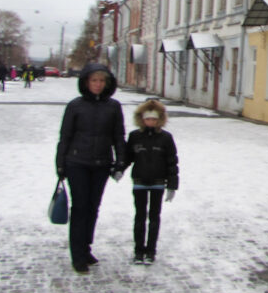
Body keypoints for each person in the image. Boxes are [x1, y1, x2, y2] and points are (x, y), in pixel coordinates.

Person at [55, 63, 126, 273]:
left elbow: (118, 136)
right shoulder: (75, 106)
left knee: (93, 208)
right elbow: (65, 137)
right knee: (79, 208)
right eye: (94, 80)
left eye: (102, 81)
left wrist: (120, 160)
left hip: (101, 164)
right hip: (77, 163)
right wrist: (60, 163)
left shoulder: (113, 107)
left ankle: (86, 248)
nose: (98, 84)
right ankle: (77, 254)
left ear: (107, 84)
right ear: (86, 82)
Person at [119, 99, 179, 265]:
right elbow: (127, 157)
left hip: (158, 182)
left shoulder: (166, 138)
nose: (151, 122)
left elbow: (172, 162)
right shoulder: (135, 137)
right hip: (139, 181)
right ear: (142, 119)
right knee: (139, 217)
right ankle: (139, 250)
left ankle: (151, 251)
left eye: (154, 119)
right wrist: (119, 169)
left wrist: (172, 185)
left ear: (159, 119)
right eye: (147, 119)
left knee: (154, 217)